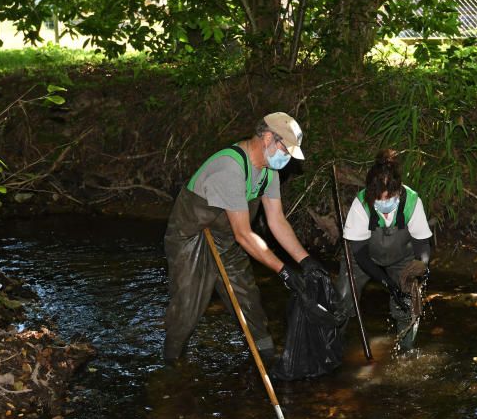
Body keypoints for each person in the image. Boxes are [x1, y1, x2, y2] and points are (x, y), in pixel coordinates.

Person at [163, 112, 326, 364]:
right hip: (192, 237)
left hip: (226, 238)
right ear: (268, 137)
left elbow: (277, 221)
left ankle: (268, 359)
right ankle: (172, 364)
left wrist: (305, 261)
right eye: (286, 150)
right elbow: (244, 233)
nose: (287, 158)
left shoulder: (268, 172)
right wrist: (282, 271)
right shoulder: (230, 168)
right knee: (187, 308)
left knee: (249, 302)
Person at [336, 149, 432, 352]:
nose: (385, 204)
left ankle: (405, 352)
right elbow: (360, 254)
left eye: (390, 199)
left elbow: (422, 243)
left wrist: (420, 265)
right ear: (371, 194)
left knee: (407, 302)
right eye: (380, 200)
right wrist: (387, 283)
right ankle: (333, 346)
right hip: (362, 258)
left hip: (401, 257)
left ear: (398, 191)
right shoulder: (361, 204)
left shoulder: (412, 202)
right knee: (344, 299)